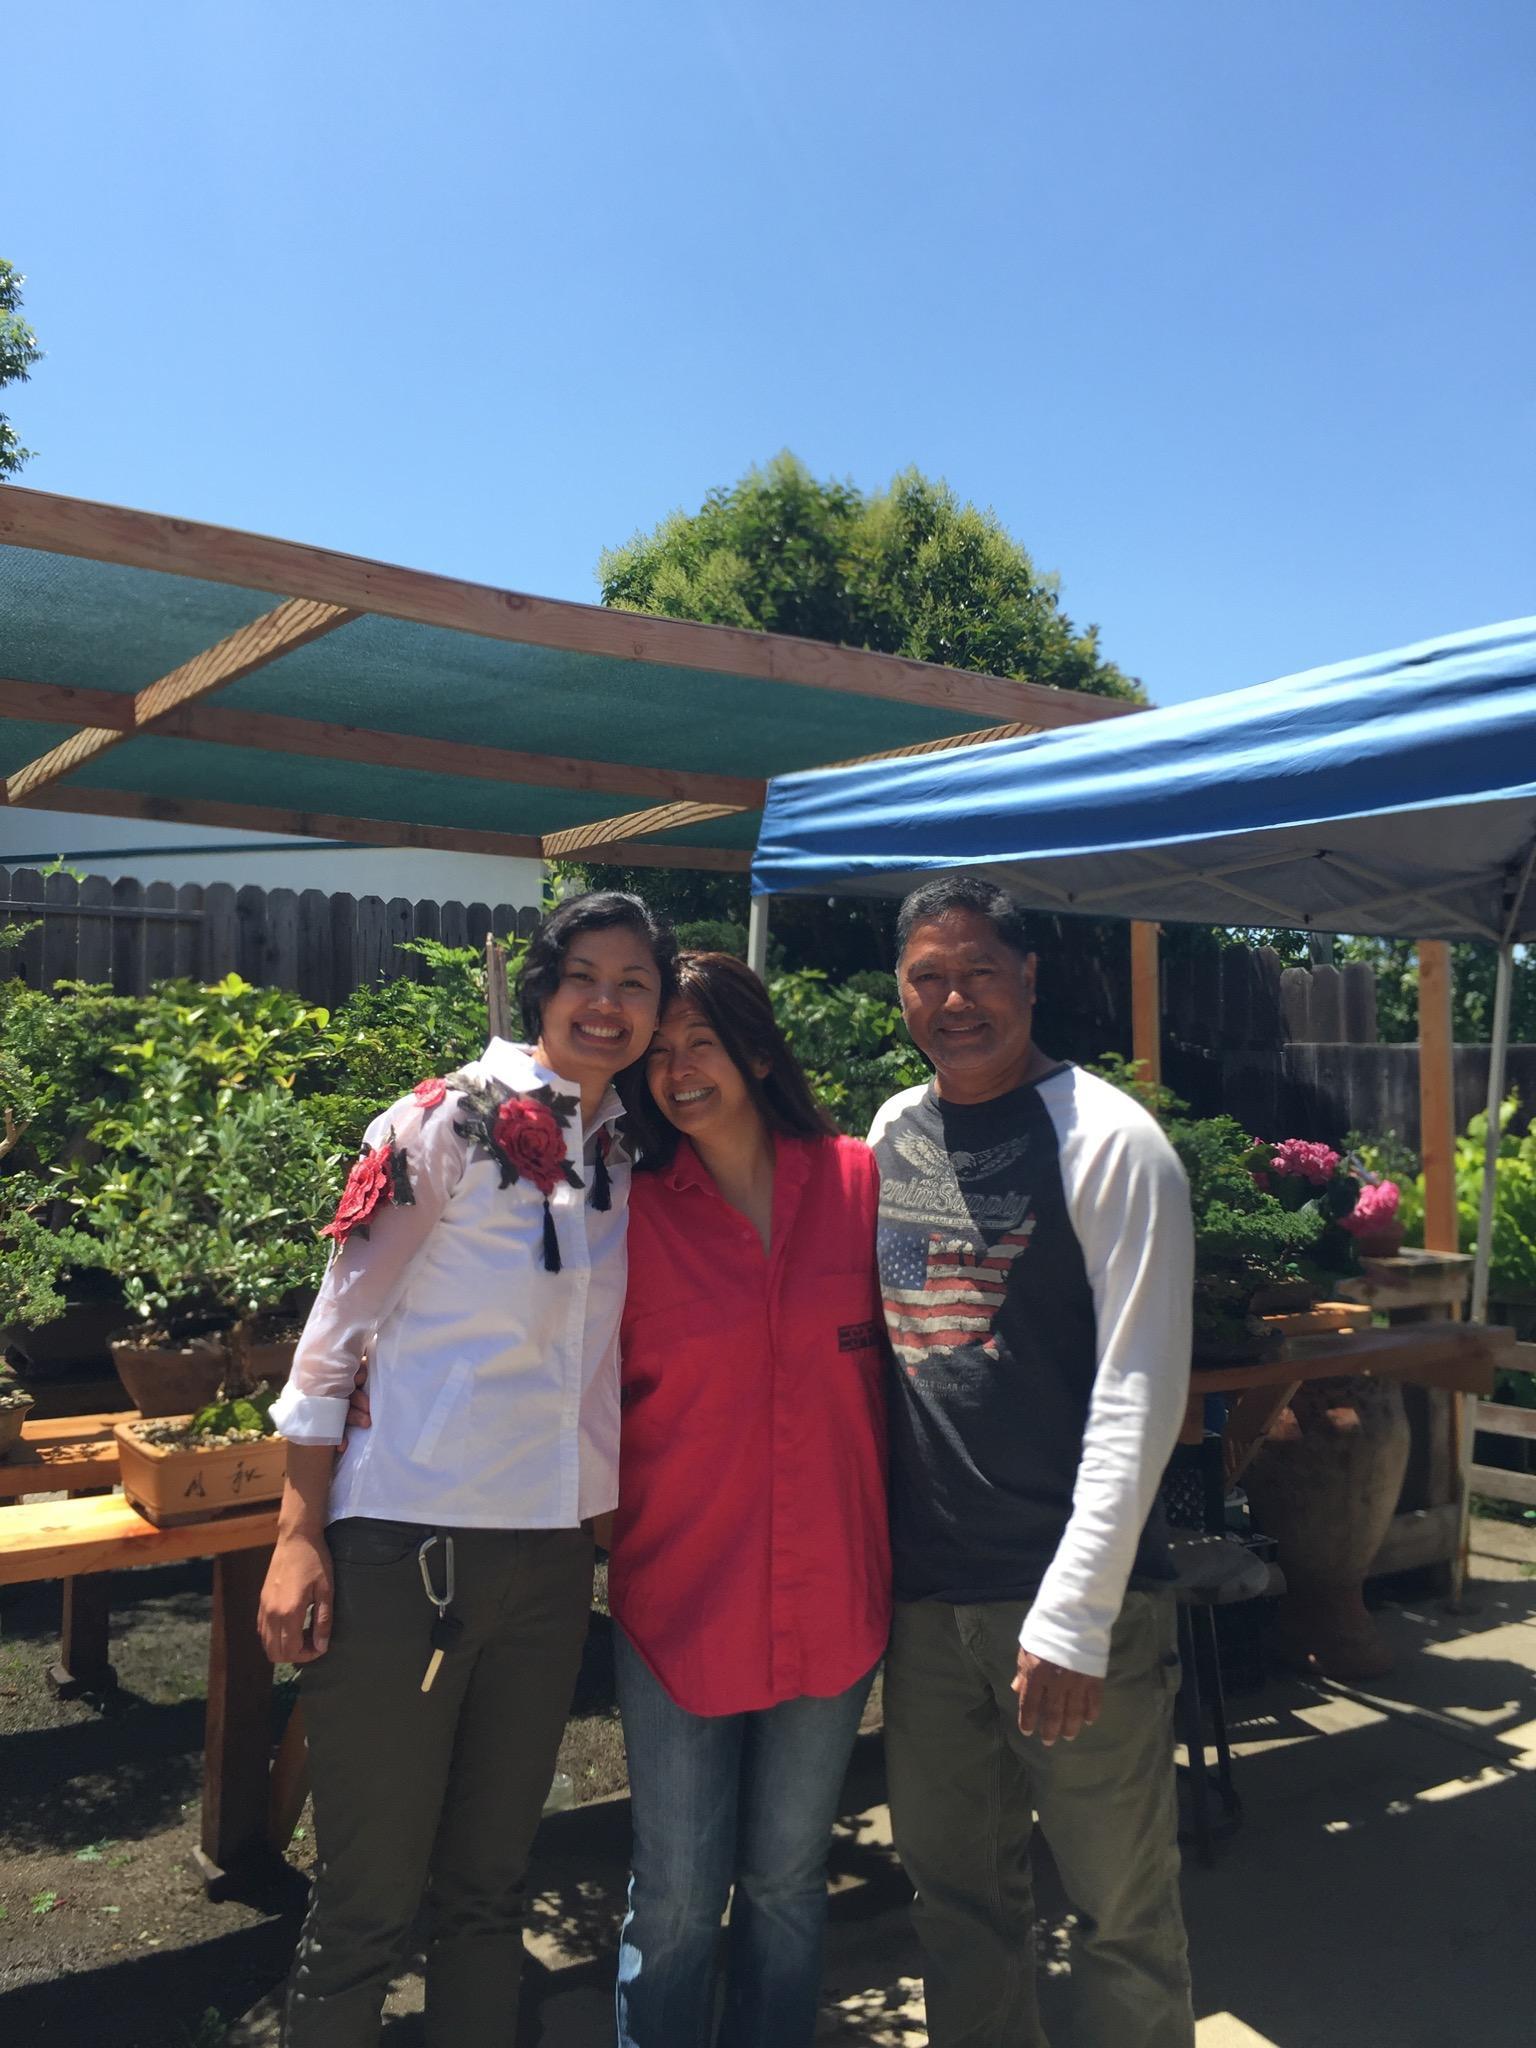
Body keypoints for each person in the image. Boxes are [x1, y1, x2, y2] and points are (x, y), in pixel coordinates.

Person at [257, 890, 675, 2048]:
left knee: (494, 1888)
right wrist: (298, 1532)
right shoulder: (437, 1123)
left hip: (546, 1562)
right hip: (407, 1553)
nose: (607, 1001)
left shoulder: (627, 1150)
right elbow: (332, 1336)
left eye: (635, 982)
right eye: (585, 974)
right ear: (542, 985)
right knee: (367, 1901)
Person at [866, 876, 1195, 2048]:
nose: (955, 998)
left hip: (1070, 1608)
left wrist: (1074, 1611)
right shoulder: (892, 1128)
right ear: (901, 989)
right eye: (927, 976)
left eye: (979, 971)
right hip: (927, 1601)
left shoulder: (1111, 1141)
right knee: (957, 1907)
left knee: (1120, 1914)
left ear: (1030, 977)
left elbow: (1140, 1388)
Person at [609, 950, 890, 2048]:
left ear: (758, 1051)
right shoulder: (625, 1212)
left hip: (835, 1598)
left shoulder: (864, 1184)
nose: (677, 1069)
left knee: (786, 1880)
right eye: (659, 1051)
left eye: (701, 1043)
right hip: (681, 1597)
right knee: (675, 1895)